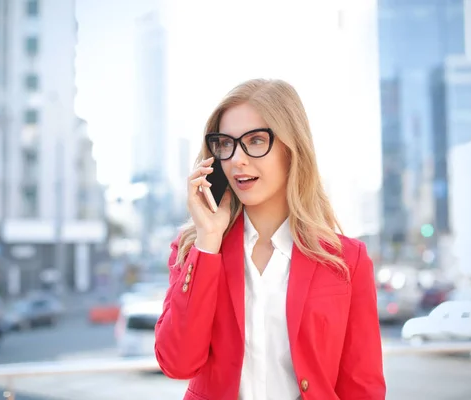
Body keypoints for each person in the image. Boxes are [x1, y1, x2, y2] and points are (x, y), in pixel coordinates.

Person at [154, 79, 386, 400]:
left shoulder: (348, 260)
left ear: (292, 149)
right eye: (226, 144)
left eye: (256, 140)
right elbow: (176, 363)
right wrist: (209, 240)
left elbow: (362, 387)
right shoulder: (195, 249)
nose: (237, 159)